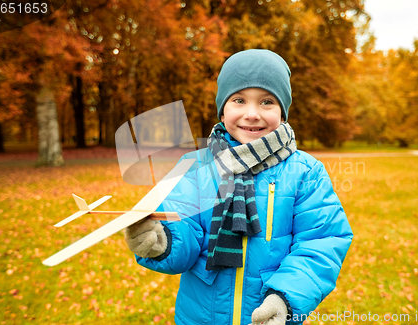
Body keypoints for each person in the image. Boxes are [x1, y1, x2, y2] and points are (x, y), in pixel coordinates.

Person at [124, 49, 353, 325]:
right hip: (200, 317)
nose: (252, 114)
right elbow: (183, 228)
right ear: (223, 108)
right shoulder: (195, 167)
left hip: (268, 316)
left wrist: (284, 297)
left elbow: (321, 242)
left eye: (267, 101)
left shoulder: (305, 172)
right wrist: (162, 242)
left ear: (283, 111)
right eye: (239, 100)